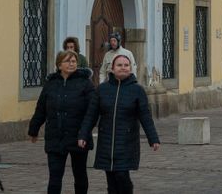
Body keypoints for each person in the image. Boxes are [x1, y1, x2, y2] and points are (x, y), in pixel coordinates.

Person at [79, 54, 159, 194]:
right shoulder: (102, 89)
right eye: (119, 65)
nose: (123, 68)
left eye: (126, 65)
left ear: (131, 68)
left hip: (127, 141)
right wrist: (83, 135)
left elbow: (145, 116)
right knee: (110, 178)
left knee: (122, 175)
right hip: (106, 140)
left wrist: (153, 139)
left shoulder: (137, 90)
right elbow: (91, 115)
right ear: (112, 68)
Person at [28, 50, 96, 194]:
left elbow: (92, 111)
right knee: (54, 177)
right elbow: (41, 108)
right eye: (67, 61)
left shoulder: (85, 84)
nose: (71, 64)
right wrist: (33, 130)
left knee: (80, 175)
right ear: (59, 65)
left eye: (74, 61)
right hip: (55, 137)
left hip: (78, 137)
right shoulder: (50, 84)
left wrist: (84, 133)